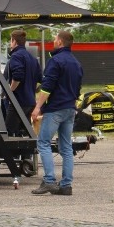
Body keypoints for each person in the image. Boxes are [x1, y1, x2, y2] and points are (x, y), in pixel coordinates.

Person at [31, 30, 83, 197]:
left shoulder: (56, 61)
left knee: (43, 143)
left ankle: (49, 181)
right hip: (70, 108)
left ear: (60, 42)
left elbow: (47, 87)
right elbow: (78, 88)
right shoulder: (76, 63)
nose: (53, 41)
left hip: (55, 108)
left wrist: (38, 107)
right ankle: (66, 185)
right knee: (66, 147)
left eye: (55, 39)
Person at [4, 29, 42, 137]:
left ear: (14, 41)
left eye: (10, 41)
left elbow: (17, 76)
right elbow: (40, 79)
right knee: (24, 134)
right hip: (30, 102)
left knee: (9, 134)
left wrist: (9, 91)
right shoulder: (33, 59)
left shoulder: (16, 56)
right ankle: (25, 154)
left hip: (18, 102)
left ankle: (13, 154)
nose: (10, 44)